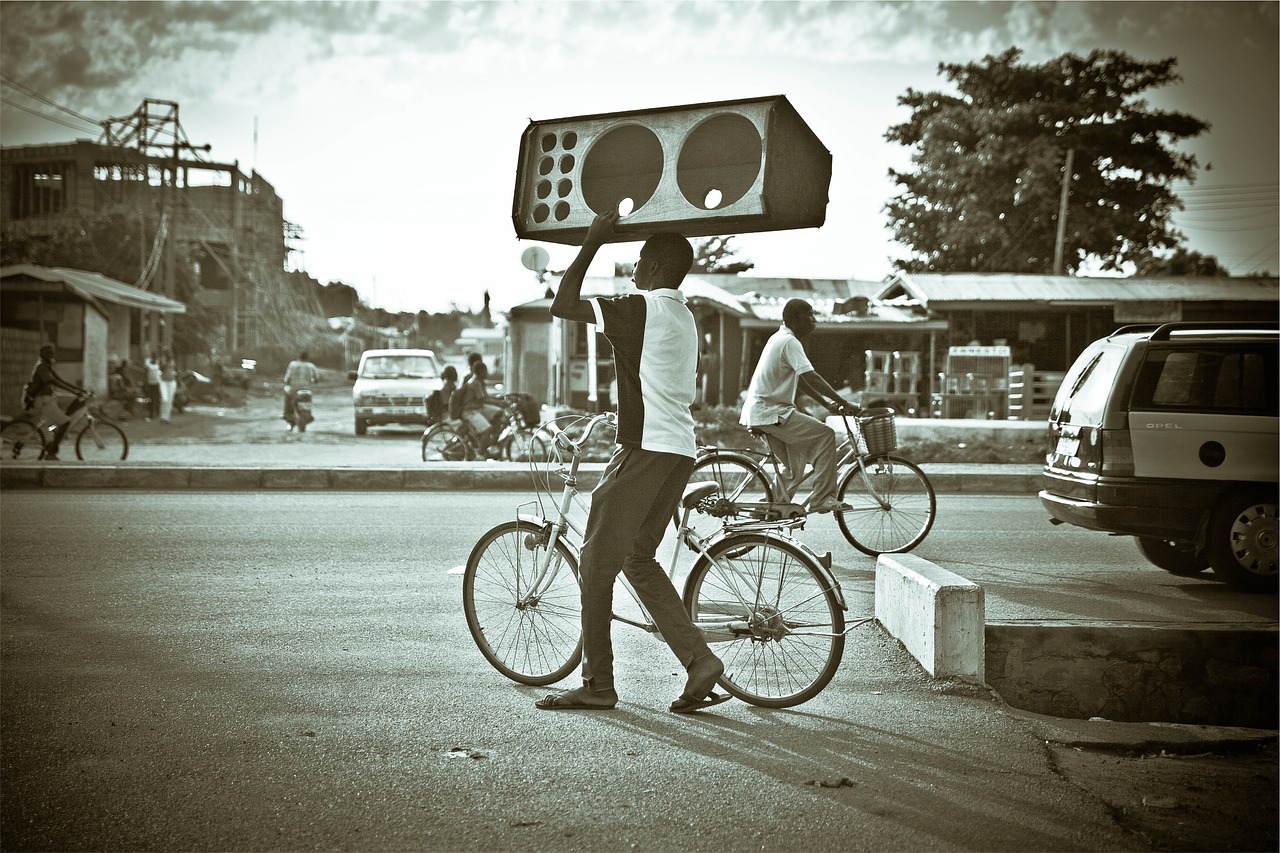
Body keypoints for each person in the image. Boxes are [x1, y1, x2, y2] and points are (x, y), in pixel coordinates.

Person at [536, 209, 726, 715]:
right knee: (638, 559)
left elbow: (563, 303)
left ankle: (597, 684)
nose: (635, 269)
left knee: (595, 564)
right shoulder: (684, 315)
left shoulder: (644, 308)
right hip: (678, 451)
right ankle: (699, 660)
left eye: (642, 261)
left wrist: (593, 240)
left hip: (644, 450)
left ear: (660, 266)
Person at [740, 298, 860, 514]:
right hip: (772, 412)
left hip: (763, 412)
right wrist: (844, 402)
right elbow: (811, 378)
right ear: (795, 319)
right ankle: (823, 498)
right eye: (810, 316)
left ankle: (769, 510)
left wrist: (827, 403)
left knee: (794, 469)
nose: (814, 321)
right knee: (825, 436)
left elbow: (801, 382)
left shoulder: (780, 338)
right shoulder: (789, 342)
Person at [24, 344, 90, 461]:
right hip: (42, 400)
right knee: (65, 422)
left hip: (50, 397)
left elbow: (61, 380)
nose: (51, 356)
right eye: (48, 354)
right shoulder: (41, 367)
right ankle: (51, 452)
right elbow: (54, 381)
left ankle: (54, 428)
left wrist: (81, 391)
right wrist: (75, 391)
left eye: (51, 353)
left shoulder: (46, 366)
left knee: (74, 401)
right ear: (42, 356)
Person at [455, 359, 504, 456]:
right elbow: (484, 400)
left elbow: (486, 397)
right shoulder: (475, 383)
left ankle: (491, 441)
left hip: (478, 409)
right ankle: (481, 453)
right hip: (470, 411)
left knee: (499, 413)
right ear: (480, 372)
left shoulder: (479, 382)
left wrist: (499, 399)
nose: (487, 373)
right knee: (487, 430)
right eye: (485, 371)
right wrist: (500, 402)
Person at [282, 350, 320, 429]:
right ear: (307, 358)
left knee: (286, 394)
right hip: (307, 389)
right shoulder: (311, 366)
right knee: (308, 400)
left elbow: (287, 378)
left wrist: (286, 381)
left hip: (294, 389)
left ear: (298, 357)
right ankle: (308, 414)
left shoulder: (292, 364)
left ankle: (288, 414)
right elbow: (316, 378)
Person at [157, 346, 177, 424]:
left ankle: (167, 418)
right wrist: (165, 361)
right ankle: (162, 416)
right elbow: (161, 368)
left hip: (172, 381)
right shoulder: (161, 360)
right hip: (164, 381)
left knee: (170, 400)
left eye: (169, 352)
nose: (169, 354)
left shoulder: (173, 360)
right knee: (164, 399)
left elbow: (174, 370)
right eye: (167, 352)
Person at [144, 353, 162, 422]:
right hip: (150, 383)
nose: (154, 358)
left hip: (157, 382)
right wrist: (145, 382)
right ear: (151, 357)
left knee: (157, 398)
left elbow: (160, 371)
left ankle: (157, 412)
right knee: (150, 398)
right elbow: (145, 373)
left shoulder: (158, 362)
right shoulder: (147, 362)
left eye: (155, 357)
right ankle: (150, 413)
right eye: (153, 356)